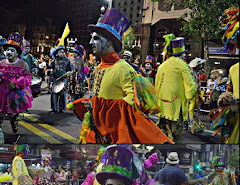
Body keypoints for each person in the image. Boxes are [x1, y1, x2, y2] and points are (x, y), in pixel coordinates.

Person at [67, 8, 173, 144]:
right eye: (91, 38)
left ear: (110, 41)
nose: (90, 43)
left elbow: (133, 103)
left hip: (114, 136)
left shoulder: (123, 68)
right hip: (96, 130)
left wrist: (103, 107)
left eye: (96, 38)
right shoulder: (100, 67)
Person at [0, 32, 33, 135]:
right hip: (1, 93)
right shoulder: (1, 63)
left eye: (12, 50)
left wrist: (17, 82)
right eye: (7, 50)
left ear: (17, 53)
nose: (9, 52)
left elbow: (28, 78)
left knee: (13, 115)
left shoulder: (23, 64)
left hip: (15, 94)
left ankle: (15, 133)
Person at [154, 36, 198, 142]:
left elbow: (157, 85)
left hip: (162, 105)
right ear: (182, 54)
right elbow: (191, 86)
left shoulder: (162, 65)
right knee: (174, 136)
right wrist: (192, 100)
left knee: (162, 134)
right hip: (175, 107)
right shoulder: (182, 65)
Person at [48, 45, 74, 113]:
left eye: (63, 52)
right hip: (55, 78)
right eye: (60, 52)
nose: (61, 53)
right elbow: (51, 67)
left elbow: (71, 69)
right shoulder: (55, 60)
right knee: (54, 93)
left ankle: (61, 108)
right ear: (57, 52)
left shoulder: (67, 60)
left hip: (64, 78)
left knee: (62, 93)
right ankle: (54, 108)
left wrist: (68, 73)